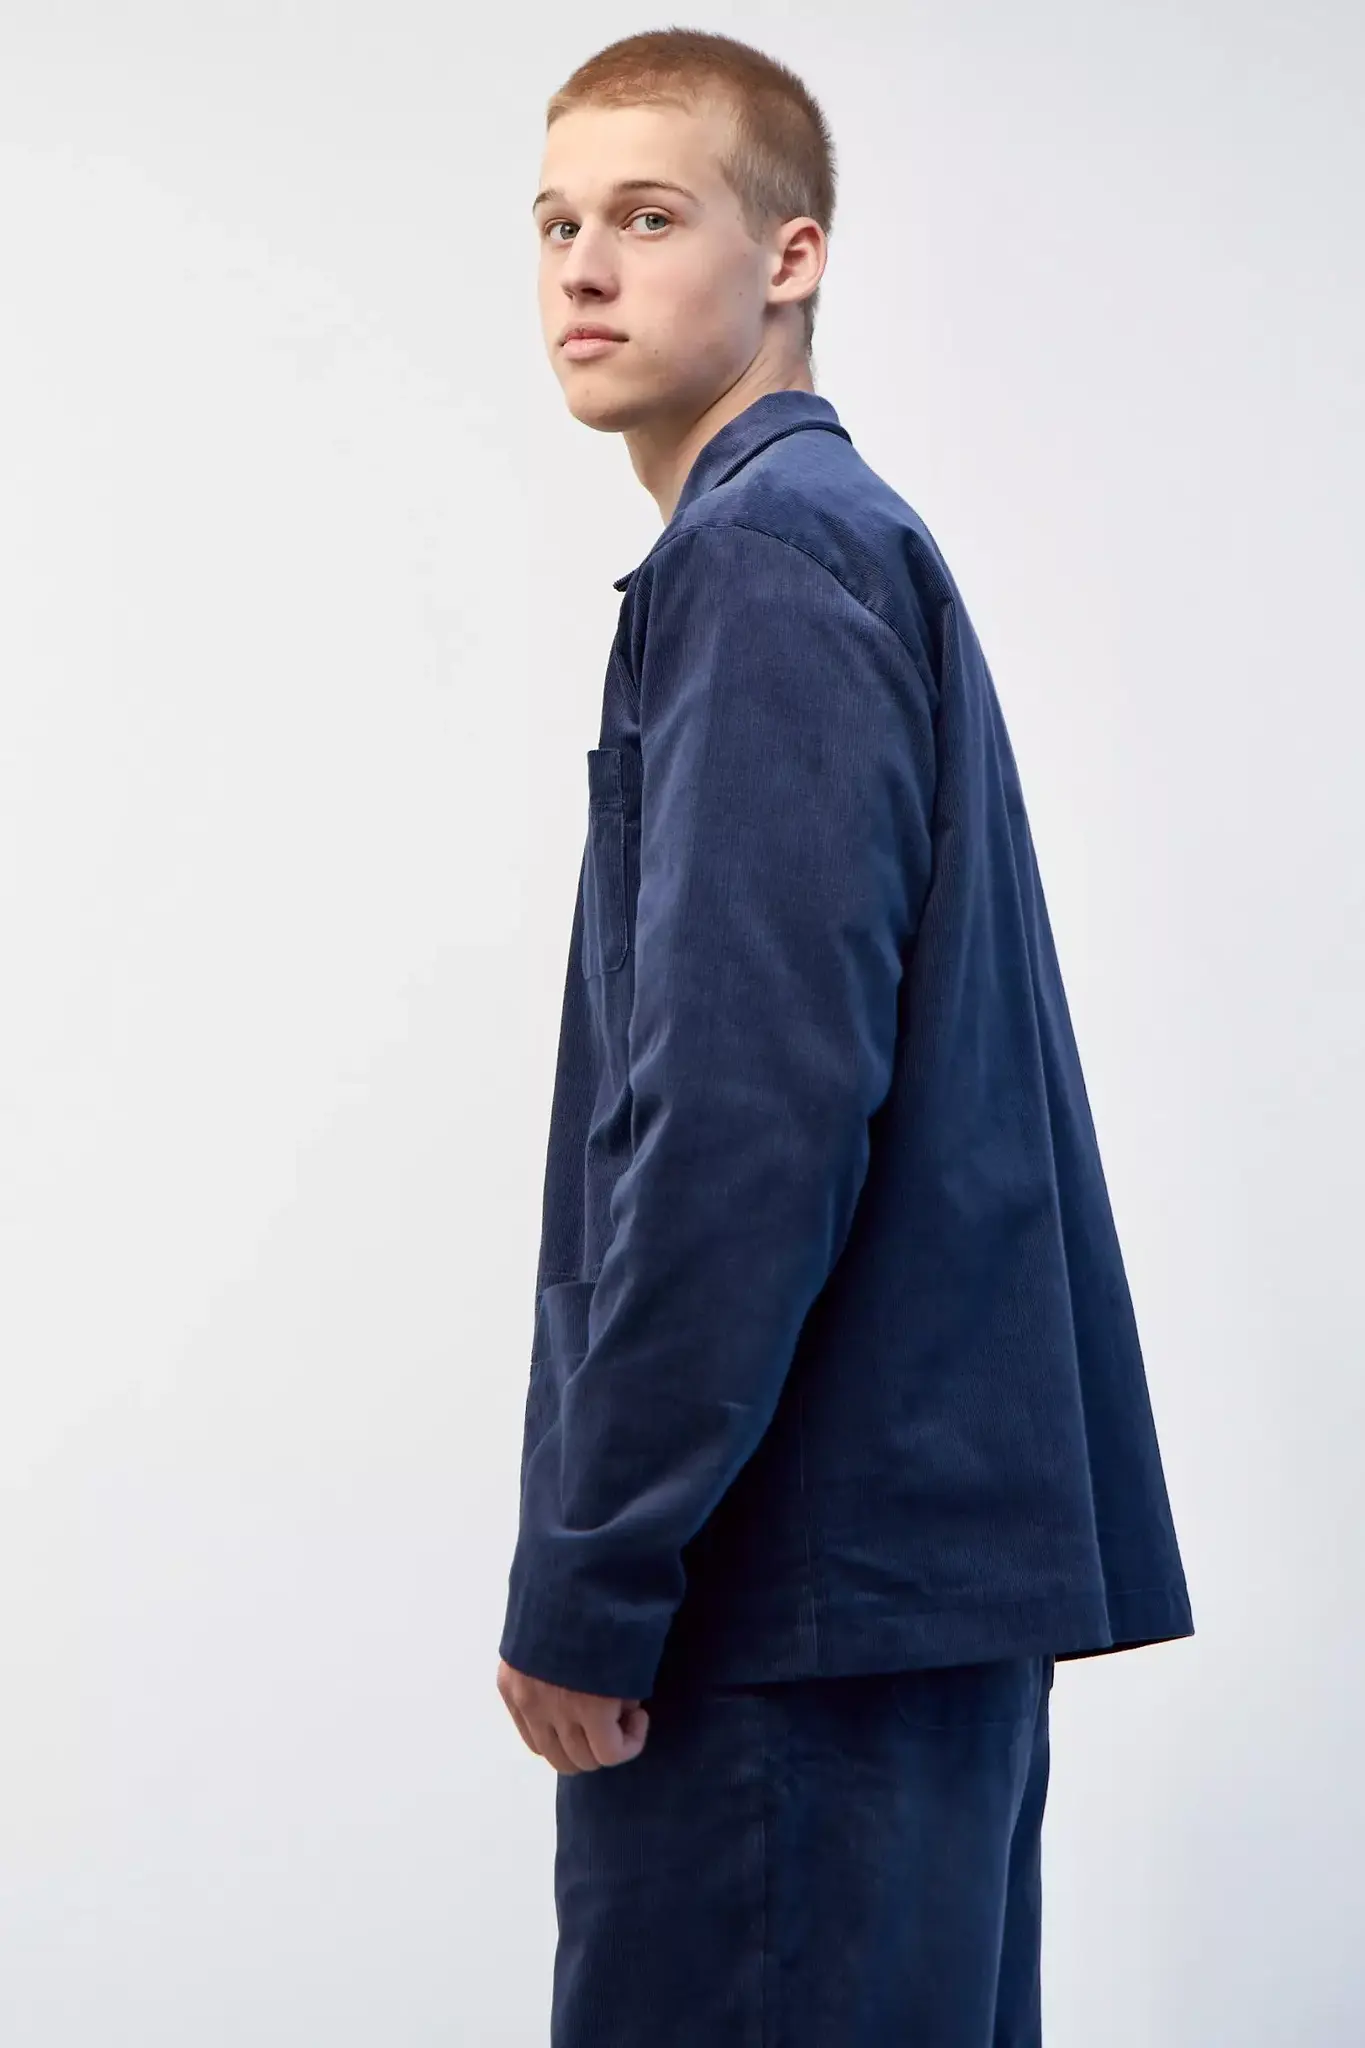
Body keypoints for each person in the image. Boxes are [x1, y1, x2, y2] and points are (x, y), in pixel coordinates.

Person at [496, 27, 1194, 2047]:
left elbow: (742, 1112)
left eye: (648, 216)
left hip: (787, 1610)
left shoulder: (764, 564)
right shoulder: (824, 544)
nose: (583, 269)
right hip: (878, 1597)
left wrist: (593, 1570)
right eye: (554, 223)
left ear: (790, 254)